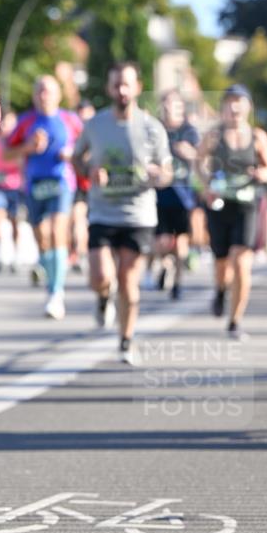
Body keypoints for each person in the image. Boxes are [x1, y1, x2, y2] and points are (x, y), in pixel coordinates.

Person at [73, 61, 173, 364]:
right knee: (100, 276)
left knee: (129, 281)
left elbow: (168, 172)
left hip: (138, 215)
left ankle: (126, 340)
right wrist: (90, 172)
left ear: (138, 87)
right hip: (103, 212)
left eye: (127, 84)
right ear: (109, 88)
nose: (122, 90)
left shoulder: (152, 128)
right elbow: (78, 158)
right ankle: (103, 298)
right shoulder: (96, 125)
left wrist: (159, 176)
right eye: (116, 84)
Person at [196, 85, 267, 339]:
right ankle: (220, 291)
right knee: (222, 262)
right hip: (220, 204)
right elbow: (199, 162)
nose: (234, 107)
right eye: (230, 102)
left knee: (241, 262)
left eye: (239, 102)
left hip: (247, 204)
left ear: (248, 107)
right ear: (223, 107)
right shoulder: (214, 135)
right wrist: (207, 183)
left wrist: (263, 173)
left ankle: (235, 321)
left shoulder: (257, 136)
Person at [4, 75, 82, 320]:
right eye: (39, 90)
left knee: (58, 232)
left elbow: (88, 149)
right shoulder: (26, 122)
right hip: (35, 184)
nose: (43, 95)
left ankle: (56, 293)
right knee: (43, 238)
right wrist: (27, 148)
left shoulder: (71, 120)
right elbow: (6, 153)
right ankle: (52, 284)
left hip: (62, 182)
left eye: (48, 91)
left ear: (58, 95)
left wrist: (74, 155)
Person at [153, 90, 200, 300]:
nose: (167, 108)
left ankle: (178, 283)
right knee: (161, 242)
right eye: (164, 104)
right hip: (160, 194)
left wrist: (187, 152)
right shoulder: (156, 129)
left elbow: (201, 158)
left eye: (171, 104)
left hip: (183, 196)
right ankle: (166, 264)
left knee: (181, 242)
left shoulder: (189, 131)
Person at [0, 110, 24, 272]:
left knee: (15, 222)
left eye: (9, 122)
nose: (5, 126)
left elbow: (23, 164)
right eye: (3, 122)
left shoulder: (18, 144)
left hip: (15, 188)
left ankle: (15, 255)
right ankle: (0, 254)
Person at [69, 99, 96, 274]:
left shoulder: (97, 132)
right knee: (78, 220)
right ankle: (80, 253)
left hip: (96, 184)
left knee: (86, 222)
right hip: (78, 184)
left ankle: (83, 253)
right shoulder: (74, 132)